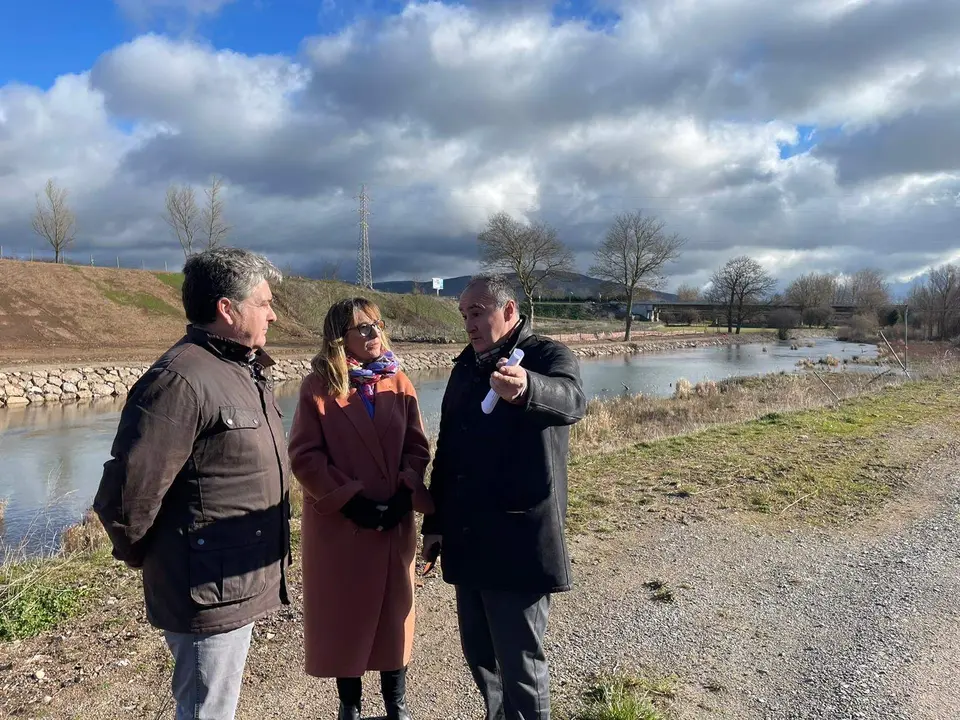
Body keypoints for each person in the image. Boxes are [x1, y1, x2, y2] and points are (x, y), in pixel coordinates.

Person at [93, 247, 292, 720]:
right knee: (206, 711)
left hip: (228, 580)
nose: (274, 314)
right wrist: (151, 557)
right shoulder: (181, 378)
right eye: (263, 303)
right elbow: (126, 495)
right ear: (228, 309)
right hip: (205, 587)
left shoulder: (238, 368)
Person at [421, 274, 586, 720]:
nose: (469, 325)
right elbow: (448, 451)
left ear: (509, 311)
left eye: (478, 313)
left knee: (521, 666)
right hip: (467, 536)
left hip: (518, 539)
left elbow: (571, 400)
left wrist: (528, 388)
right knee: (480, 657)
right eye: (464, 316)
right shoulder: (465, 366)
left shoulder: (547, 355)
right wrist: (434, 524)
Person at [287, 297, 434, 720]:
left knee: (394, 613)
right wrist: (351, 502)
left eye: (377, 326)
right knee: (344, 614)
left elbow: (416, 446)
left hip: (392, 519)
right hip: (342, 525)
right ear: (340, 338)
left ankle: (396, 704)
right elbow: (305, 456)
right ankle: (349, 706)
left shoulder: (398, 380)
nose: (374, 335)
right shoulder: (318, 387)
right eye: (363, 328)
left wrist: (406, 491)